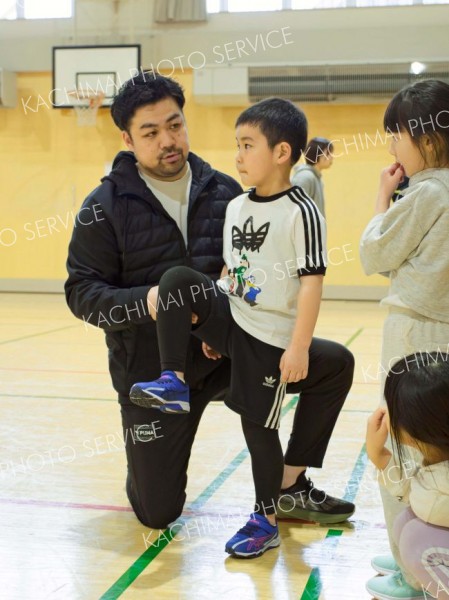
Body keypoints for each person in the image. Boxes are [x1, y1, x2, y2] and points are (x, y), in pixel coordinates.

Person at [130, 97, 355, 557]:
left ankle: (265, 519)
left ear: (282, 152)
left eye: (248, 145)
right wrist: (214, 327)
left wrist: (298, 347)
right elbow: (231, 272)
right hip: (234, 317)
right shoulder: (236, 206)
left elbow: (311, 284)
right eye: (237, 145)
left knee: (259, 427)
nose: (238, 156)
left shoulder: (302, 211)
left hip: (269, 337)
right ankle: (172, 381)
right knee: (177, 281)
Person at [360, 79, 449, 598]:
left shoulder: (429, 192)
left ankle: (410, 567)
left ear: (428, 139)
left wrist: (381, 197)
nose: (392, 146)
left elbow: (373, 253)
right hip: (439, 331)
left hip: (415, 332)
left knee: (399, 445)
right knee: (434, 450)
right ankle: (420, 553)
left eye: (397, 135)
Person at [366, 353, 449, 600]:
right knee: (407, 522)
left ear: (417, 428)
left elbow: (414, 495)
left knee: (417, 540)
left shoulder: (439, 489)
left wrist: (377, 453)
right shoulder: (440, 462)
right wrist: (380, 455)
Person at [291, 136, 334, 217]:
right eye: (328, 153)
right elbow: (293, 209)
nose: (332, 157)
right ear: (318, 154)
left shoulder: (315, 177)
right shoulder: (305, 177)